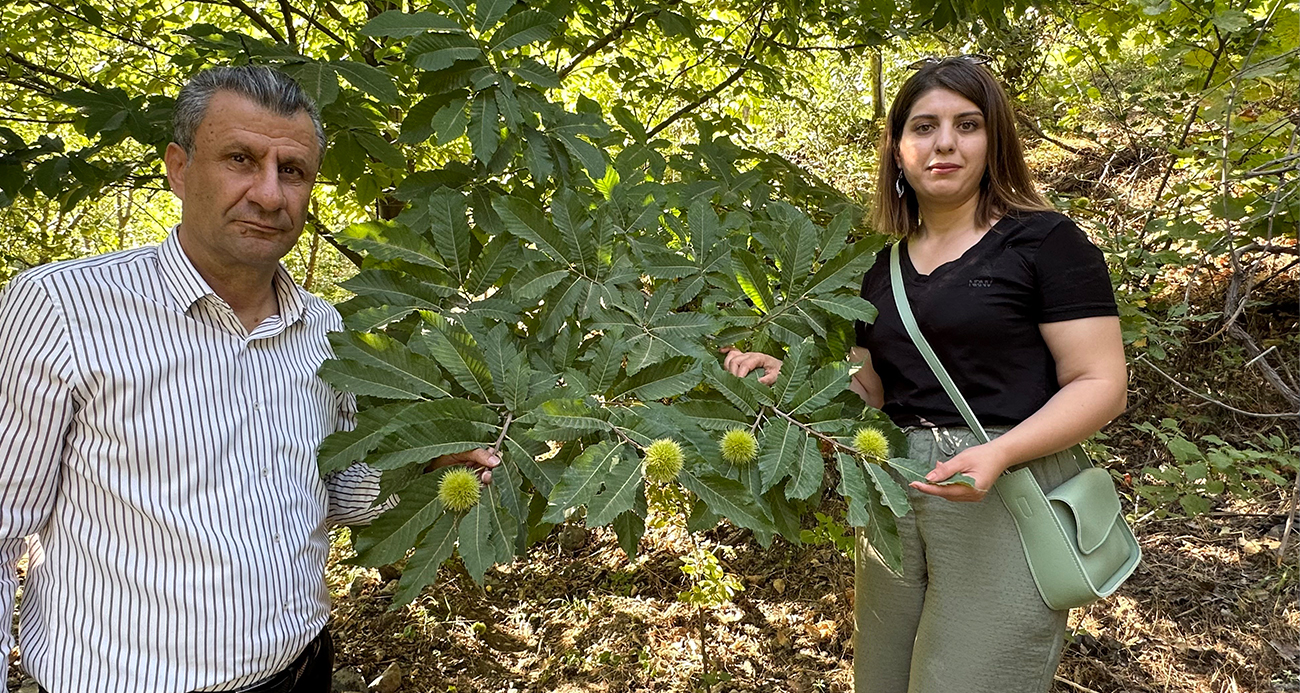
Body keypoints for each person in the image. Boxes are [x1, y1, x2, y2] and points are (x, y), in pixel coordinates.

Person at [0, 66, 496, 693]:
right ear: (179, 169)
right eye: (241, 159)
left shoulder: (324, 327)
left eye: (292, 171)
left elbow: (337, 490)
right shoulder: (62, 308)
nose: (268, 194)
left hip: (302, 666)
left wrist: (428, 462)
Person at [720, 56, 1127, 693]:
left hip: (1005, 484)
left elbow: (1101, 383)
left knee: (973, 678)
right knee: (883, 677)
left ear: (995, 141)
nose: (944, 143)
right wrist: (789, 379)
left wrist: (999, 454)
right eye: (923, 126)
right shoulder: (878, 270)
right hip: (894, 487)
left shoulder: (1045, 243)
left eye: (967, 125)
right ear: (897, 149)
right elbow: (870, 393)